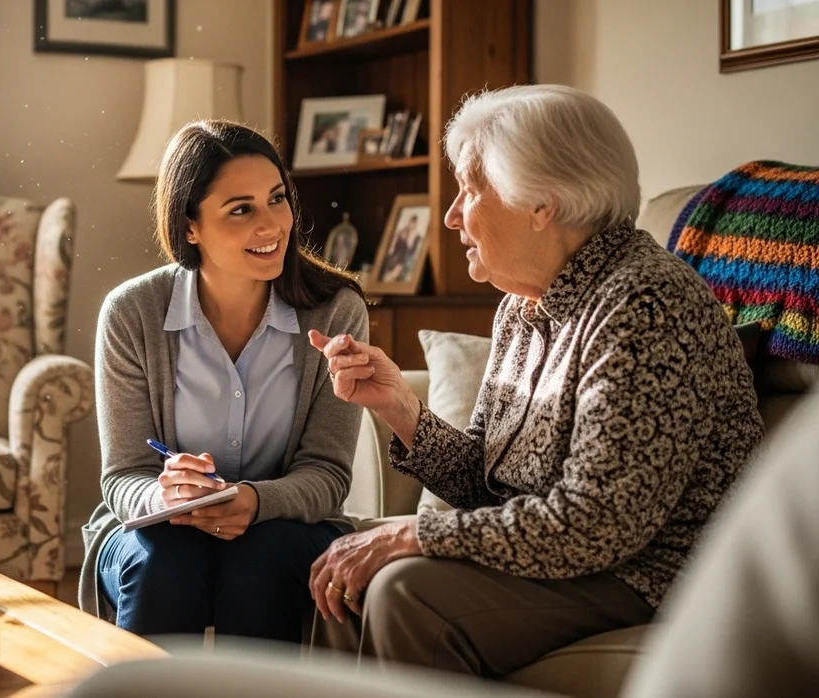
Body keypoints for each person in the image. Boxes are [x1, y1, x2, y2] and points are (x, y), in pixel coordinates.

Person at [307, 84, 764, 677]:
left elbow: (598, 524)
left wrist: (415, 537)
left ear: (541, 203)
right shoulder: (525, 309)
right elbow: (488, 483)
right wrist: (401, 408)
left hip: (652, 572)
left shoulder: (644, 304)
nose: (451, 216)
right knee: (344, 569)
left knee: (404, 593)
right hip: (561, 557)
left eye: (470, 190)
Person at [78, 120, 369, 645]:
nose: (272, 225)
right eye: (241, 209)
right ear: (190, 225)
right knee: (166, 561)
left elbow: (327, 473)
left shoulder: (336, 310)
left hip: (284, 527)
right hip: (161, 533)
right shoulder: (131, 314)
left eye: (277, 199)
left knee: (259, 560)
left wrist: (256, 502)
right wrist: (164, 496)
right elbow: (123, 476)